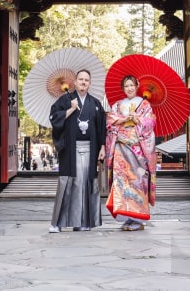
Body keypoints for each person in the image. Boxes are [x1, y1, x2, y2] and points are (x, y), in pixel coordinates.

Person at [48, 68, 105, 233]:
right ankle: (57, 223)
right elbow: (54, 118)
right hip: (70, 149)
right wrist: (71, 109)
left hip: (90, 149)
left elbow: (101, 127)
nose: (83, 82)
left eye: (86, 80)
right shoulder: (66, 100)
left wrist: (102, 147)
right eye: (80, 79)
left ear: (89, 83)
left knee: (85, 184)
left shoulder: (95, 104)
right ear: (74, 82)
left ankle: (82, 221)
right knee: (66, 183)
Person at [105, 74, 156, 231]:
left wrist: (138, 119)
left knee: (138, 179)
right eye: (126, 86)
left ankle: (138, 219)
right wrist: (123, 119)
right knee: (122, 182)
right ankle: (127, 217)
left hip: (138, 149)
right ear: (123, 88)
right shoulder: (118, 105)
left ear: (137, 86)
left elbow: (151, 123)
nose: (129, 88)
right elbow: (109, 121)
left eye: (132, 85)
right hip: (121, 148)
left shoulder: (145, 104)